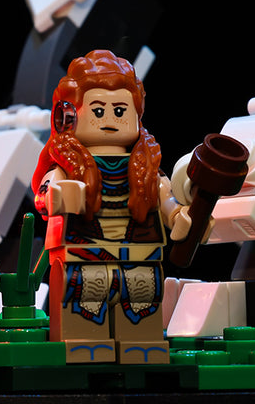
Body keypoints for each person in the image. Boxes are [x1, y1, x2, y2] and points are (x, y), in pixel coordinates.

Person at [31, 49, 191, 364]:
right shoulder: (67, 164)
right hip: (84, 248)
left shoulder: (144, 164)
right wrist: (58, 196)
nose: (109, 120)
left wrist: (175, 214)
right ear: (68, 115)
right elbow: (44, 196)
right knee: (86, 296)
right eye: (98, 110)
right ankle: (85, 342)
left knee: (142, 295)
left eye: (119, 111)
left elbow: (163, 194)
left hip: (140, 247)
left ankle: (141, 344)